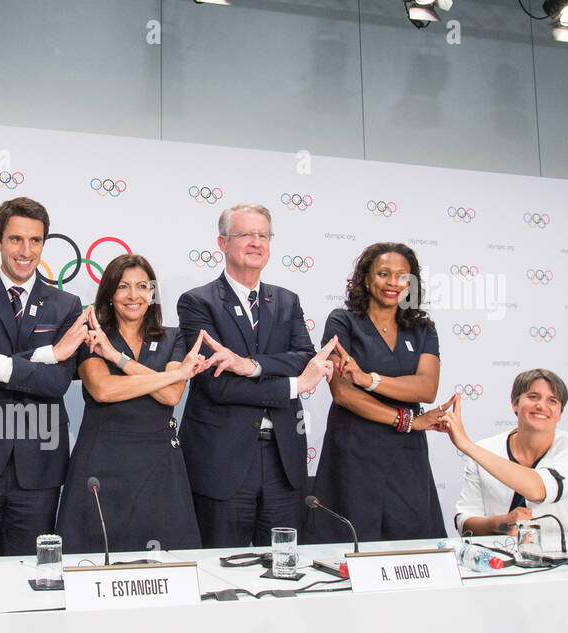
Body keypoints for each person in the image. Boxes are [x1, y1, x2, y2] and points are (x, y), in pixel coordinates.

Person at [177, 202, 335, 548]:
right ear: (222, 243)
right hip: (223, 462)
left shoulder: (287, 301)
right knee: (221, 570)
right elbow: (215, 383)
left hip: (283, 461)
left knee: (283, 566)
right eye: (246, 234)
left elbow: (303, 358)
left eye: (263, 235)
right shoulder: (197, 302)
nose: (256, 242)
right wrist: (295, 385)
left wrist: (252, 366)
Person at [0, 197, 91, 556]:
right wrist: (48, 355)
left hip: (38, 466)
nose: (26, 251)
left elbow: (57, 383)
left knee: (30, 574)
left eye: (35, 241)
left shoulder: (67, 304)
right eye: (15, 239)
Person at [55, 254, 209, 553]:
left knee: (167, 570)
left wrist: (117, 358)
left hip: (158, 466)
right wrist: (172, 375)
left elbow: (171, 397)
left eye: (142, 286)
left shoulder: (173, 337)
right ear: (110, 294)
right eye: (123, 287)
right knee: (92, 563)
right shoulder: (92, 335)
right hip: (101, 462)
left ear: (152, 293)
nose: (133, 295)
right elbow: (103, 389)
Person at [306, 242, 452, 543]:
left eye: (402, 276)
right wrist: (407, 421)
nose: (393, 283)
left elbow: (426, 387)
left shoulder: (423, 328)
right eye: (384, 273)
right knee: (349, 547)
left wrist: (368, 379)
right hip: (354, 451)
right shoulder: (342, 321)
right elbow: (344, 393)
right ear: (366, 279)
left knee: (413, 546)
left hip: (406, 455)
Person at [445, 369, 568, 538]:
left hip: (564, 559)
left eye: (552, 400)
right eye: (533, 397)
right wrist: (502, 523)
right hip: (497, 559)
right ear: (514, 404)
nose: (541, 405)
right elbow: (465, 523)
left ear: (560, 412)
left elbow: (537, 490)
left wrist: (467, 445)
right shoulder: (486, 449)